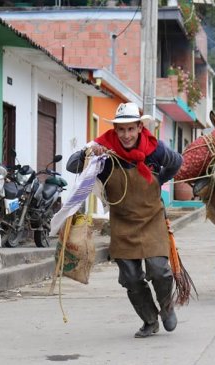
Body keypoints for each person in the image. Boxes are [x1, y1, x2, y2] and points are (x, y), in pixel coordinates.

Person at [66, 102, 183, 338]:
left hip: (152, 220)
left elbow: (177, 162)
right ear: (115, 130)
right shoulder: (105, 152)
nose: (126, 135)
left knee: (159, 270)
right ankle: (150, 320)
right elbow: (72, 166)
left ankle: (166, 306)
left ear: (140, 127)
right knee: (130, 278)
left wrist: (159, 179)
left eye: (131, 129)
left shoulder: (155, 149)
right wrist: (88, 153)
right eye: (121, 130)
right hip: (122, 223)